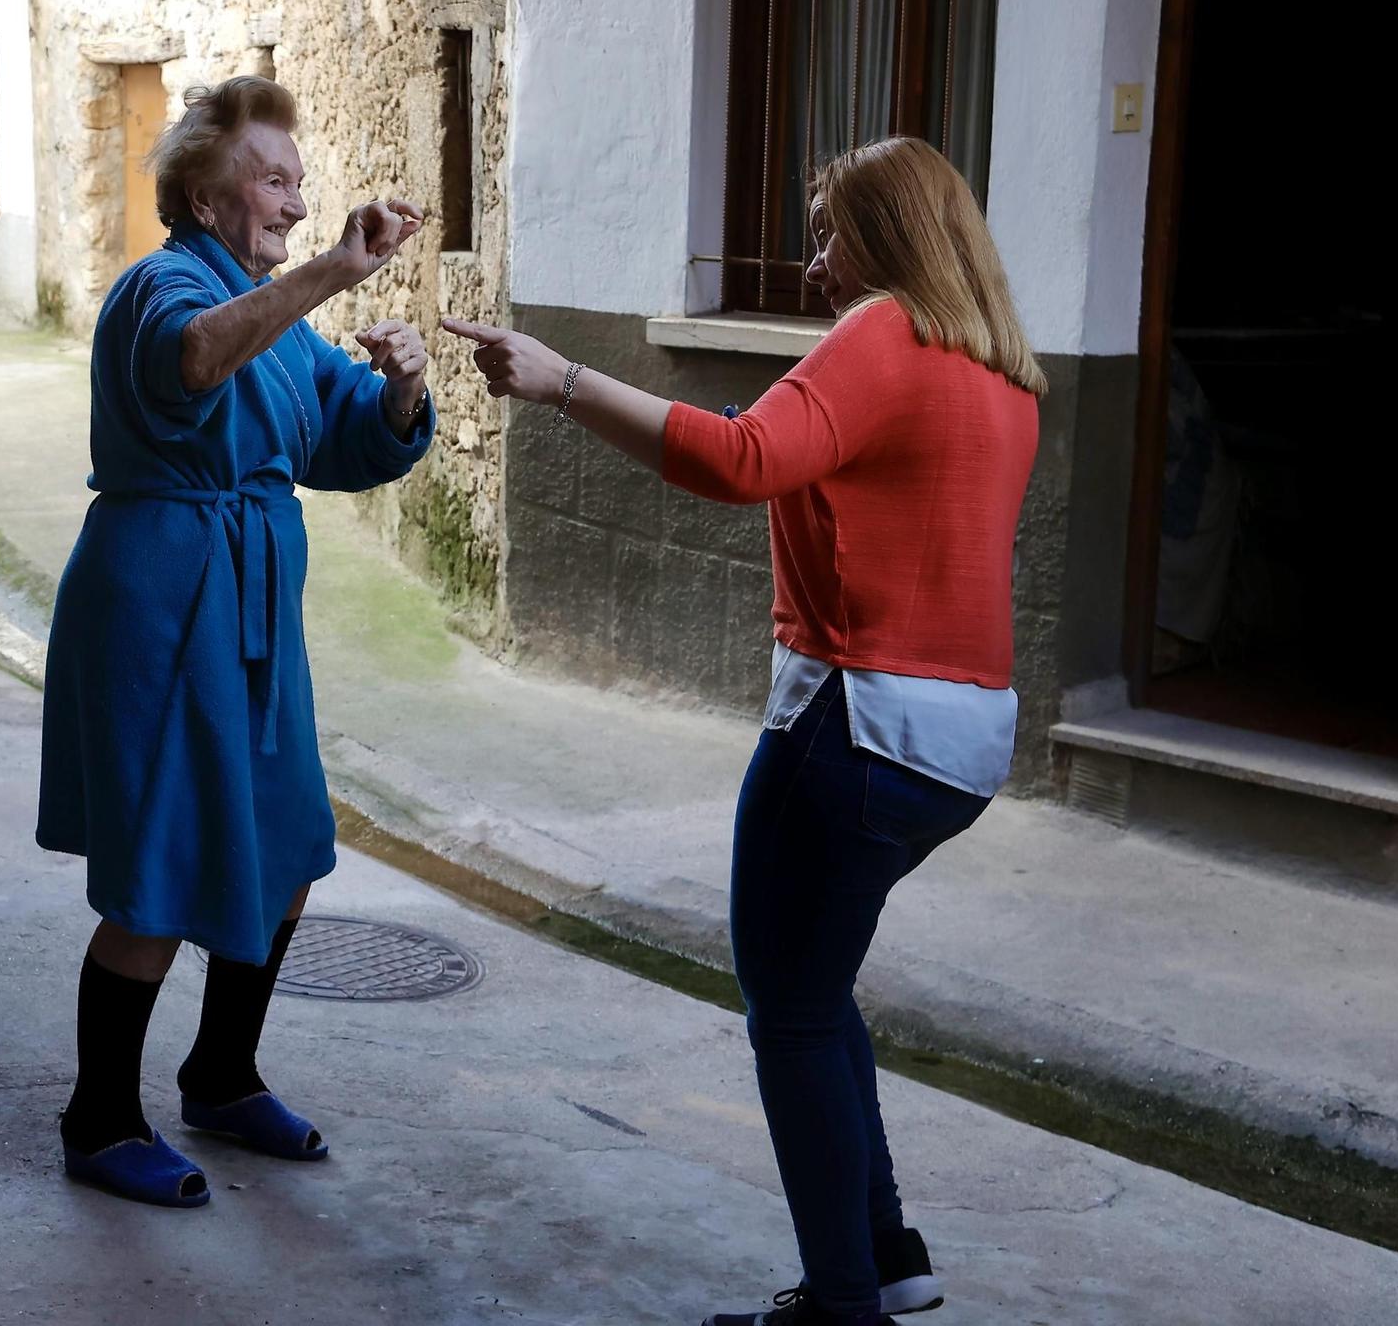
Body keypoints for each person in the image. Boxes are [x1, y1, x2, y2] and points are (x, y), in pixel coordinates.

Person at [444, 136, 1044, 1326]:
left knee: (791, 1008)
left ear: (888, 239)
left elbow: (742, 458)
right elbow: (816, 457)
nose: (813, 263)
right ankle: (884, 1250)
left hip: (852, 727)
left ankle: (840, 1304)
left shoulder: (880, 331)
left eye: (827, 233)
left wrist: (563, 379)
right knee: (821, 988)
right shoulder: (999, 373)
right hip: (960, 745)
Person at [37, 76, 435, 1209]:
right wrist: (330, 277)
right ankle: (100, 1116)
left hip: (256, 618)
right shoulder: (160, 285)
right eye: (274, 180)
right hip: (159, 609)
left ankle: (220, 1072)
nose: (298, 205)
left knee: (286, 843)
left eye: (299, 184)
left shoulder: (277, 313)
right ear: (206, 198)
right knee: (162, 868)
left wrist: (400, 395)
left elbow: (342, 436)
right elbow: (193, 360)